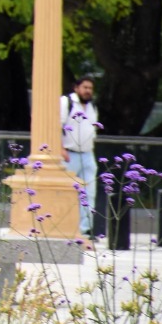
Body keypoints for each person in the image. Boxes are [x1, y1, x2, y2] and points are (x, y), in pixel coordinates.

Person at [61, 76, 99, 240]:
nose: (88, 91)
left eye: (90, 88)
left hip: (88, 154)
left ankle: (85, 229)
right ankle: (64, 226)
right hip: (70, 154)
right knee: (67, 192)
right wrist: (60, 148)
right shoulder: (66, 102)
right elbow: (57, 125)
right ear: (76, 88)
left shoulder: (92, 106)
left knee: (89, 193)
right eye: (85, 87)